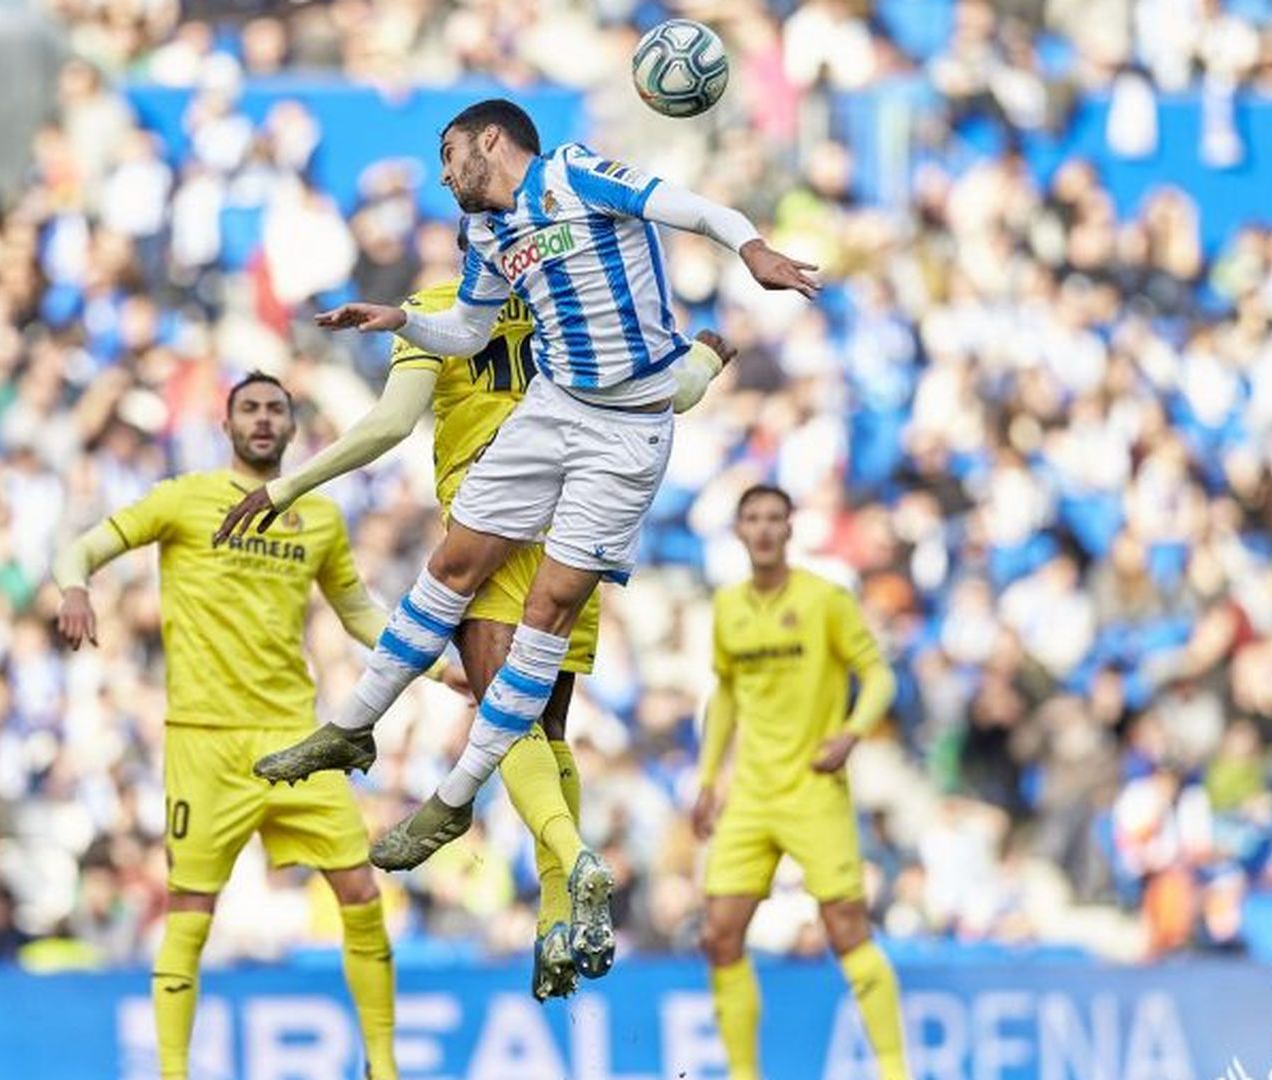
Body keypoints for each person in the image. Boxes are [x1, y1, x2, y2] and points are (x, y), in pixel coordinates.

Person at [217, 96, 817, 980]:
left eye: (448, 153)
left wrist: (750, 248)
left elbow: (682, 208)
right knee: (546, 722)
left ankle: (498, 832)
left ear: (489, 141)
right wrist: (706, 356)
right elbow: (473, 326)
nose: (442, 173)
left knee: (525, 685)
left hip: (593, 452)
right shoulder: (484, 252)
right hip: (552, 427)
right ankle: (544, 899)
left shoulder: (575, 176)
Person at [216, 260, 737, 997]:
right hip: (578, 523)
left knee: (508, 722)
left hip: (492, 523)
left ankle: (574, 859)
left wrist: (289, 482)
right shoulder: (577, 310)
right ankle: (560, 920)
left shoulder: (435, 308)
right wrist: (711, 357)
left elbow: (392, 424)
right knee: (549, 734)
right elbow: (675, 392)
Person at [52, 373, 449, 1080]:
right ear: (227, 423)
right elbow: (79, 549)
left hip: (295, 738)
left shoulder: (318, 517)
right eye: (249, 409)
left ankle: (382, 1068)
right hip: (204, 742)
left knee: (361, 892)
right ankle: (174, 1072)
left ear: (292, 429)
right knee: (190, 910)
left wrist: (437, 666)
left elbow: (357, 612)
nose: (263, 420)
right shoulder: (182, 500)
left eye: (275, 410)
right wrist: (76, 587)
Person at [694, 485, 911, 1080]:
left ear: (790, 529)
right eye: (752, 520)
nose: (763, 530)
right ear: (739, 532)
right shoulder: (728, 607)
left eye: (773, 519)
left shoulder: (826, 600)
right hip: (751, 796)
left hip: (814, 790)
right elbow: (729, 694)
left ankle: (894, 1070)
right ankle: (744, 1073)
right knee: (719, 934)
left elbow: (879, 677)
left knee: (847, 933)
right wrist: (709, 779)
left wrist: (852, 732)